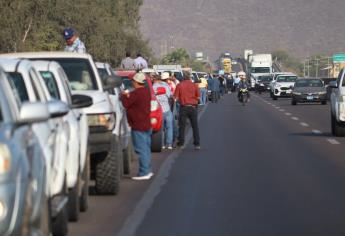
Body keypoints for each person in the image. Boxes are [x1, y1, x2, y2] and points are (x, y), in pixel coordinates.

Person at [121, 72, 153, 180]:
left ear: (136, 82)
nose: (132, 83)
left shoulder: (137, 93)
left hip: (138, 125)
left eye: (132, 81)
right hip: (146, 124)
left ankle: (144, 172)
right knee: (146, 148)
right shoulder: (146, 92)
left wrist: (123, 95)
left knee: (141, 149)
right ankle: (147, 169)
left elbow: (125, 103)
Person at [174, 71, 201, 150]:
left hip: (184, 107)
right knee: (195, 126)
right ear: (190, 77)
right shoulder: (194, 85)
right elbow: (198, 97)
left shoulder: (179, 85)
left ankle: (181, 143)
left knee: (182, 126)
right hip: (193, 107)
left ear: (183, 77)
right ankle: (197, 144)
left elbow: (175, 98)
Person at [153, 72, 174, 150]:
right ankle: (169, 144)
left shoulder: (153, 86)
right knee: (169, 127)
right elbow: (170, 96)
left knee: (160, 128)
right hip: (167, 109)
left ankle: (162, 144)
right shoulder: (166, 86)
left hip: (158, 110)